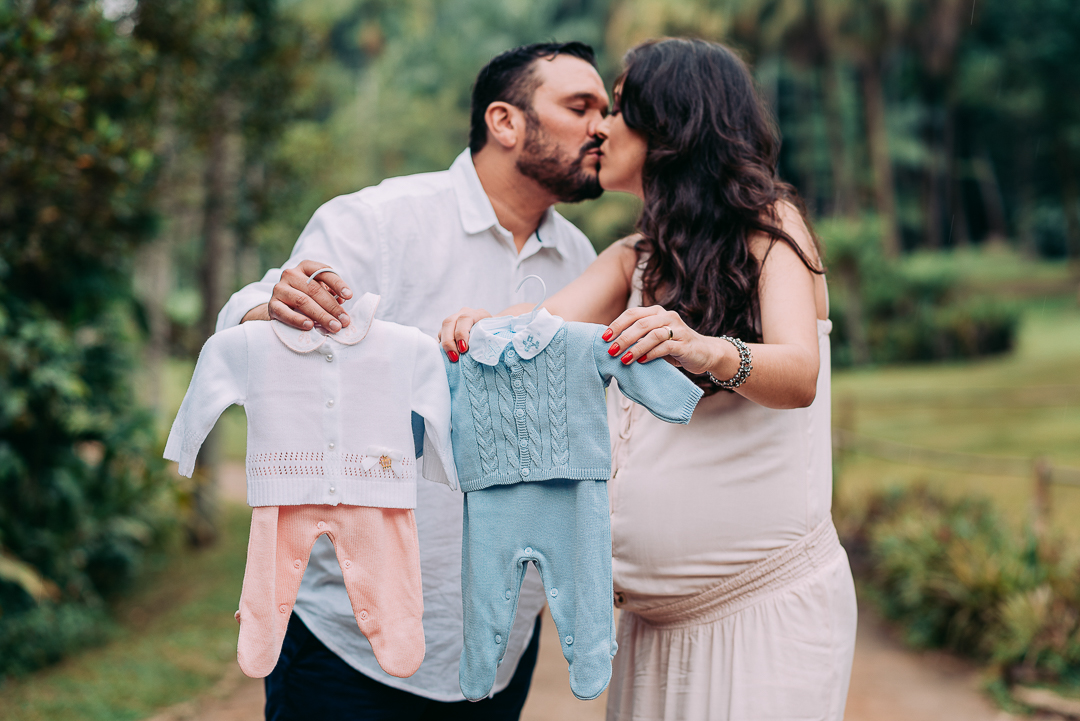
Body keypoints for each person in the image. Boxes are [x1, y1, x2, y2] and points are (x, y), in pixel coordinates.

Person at [442, 38, 857, 720]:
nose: (599, 126)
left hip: (763, 614)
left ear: (673, 126)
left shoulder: (772, 229)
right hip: (649, 629)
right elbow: (541, 325)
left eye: (619, 108)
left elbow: (799, 372)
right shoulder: (632, 258)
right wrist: (479, 326)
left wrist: (708, 350)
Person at [215, 42, 609, 720]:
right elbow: (246, 316)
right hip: (347, 642)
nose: (603, 126)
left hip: (500, 644)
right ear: (504, 122)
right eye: (581, 107)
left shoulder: (584, 260)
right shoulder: (380, 221)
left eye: (608, 111)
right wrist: (268, 306)